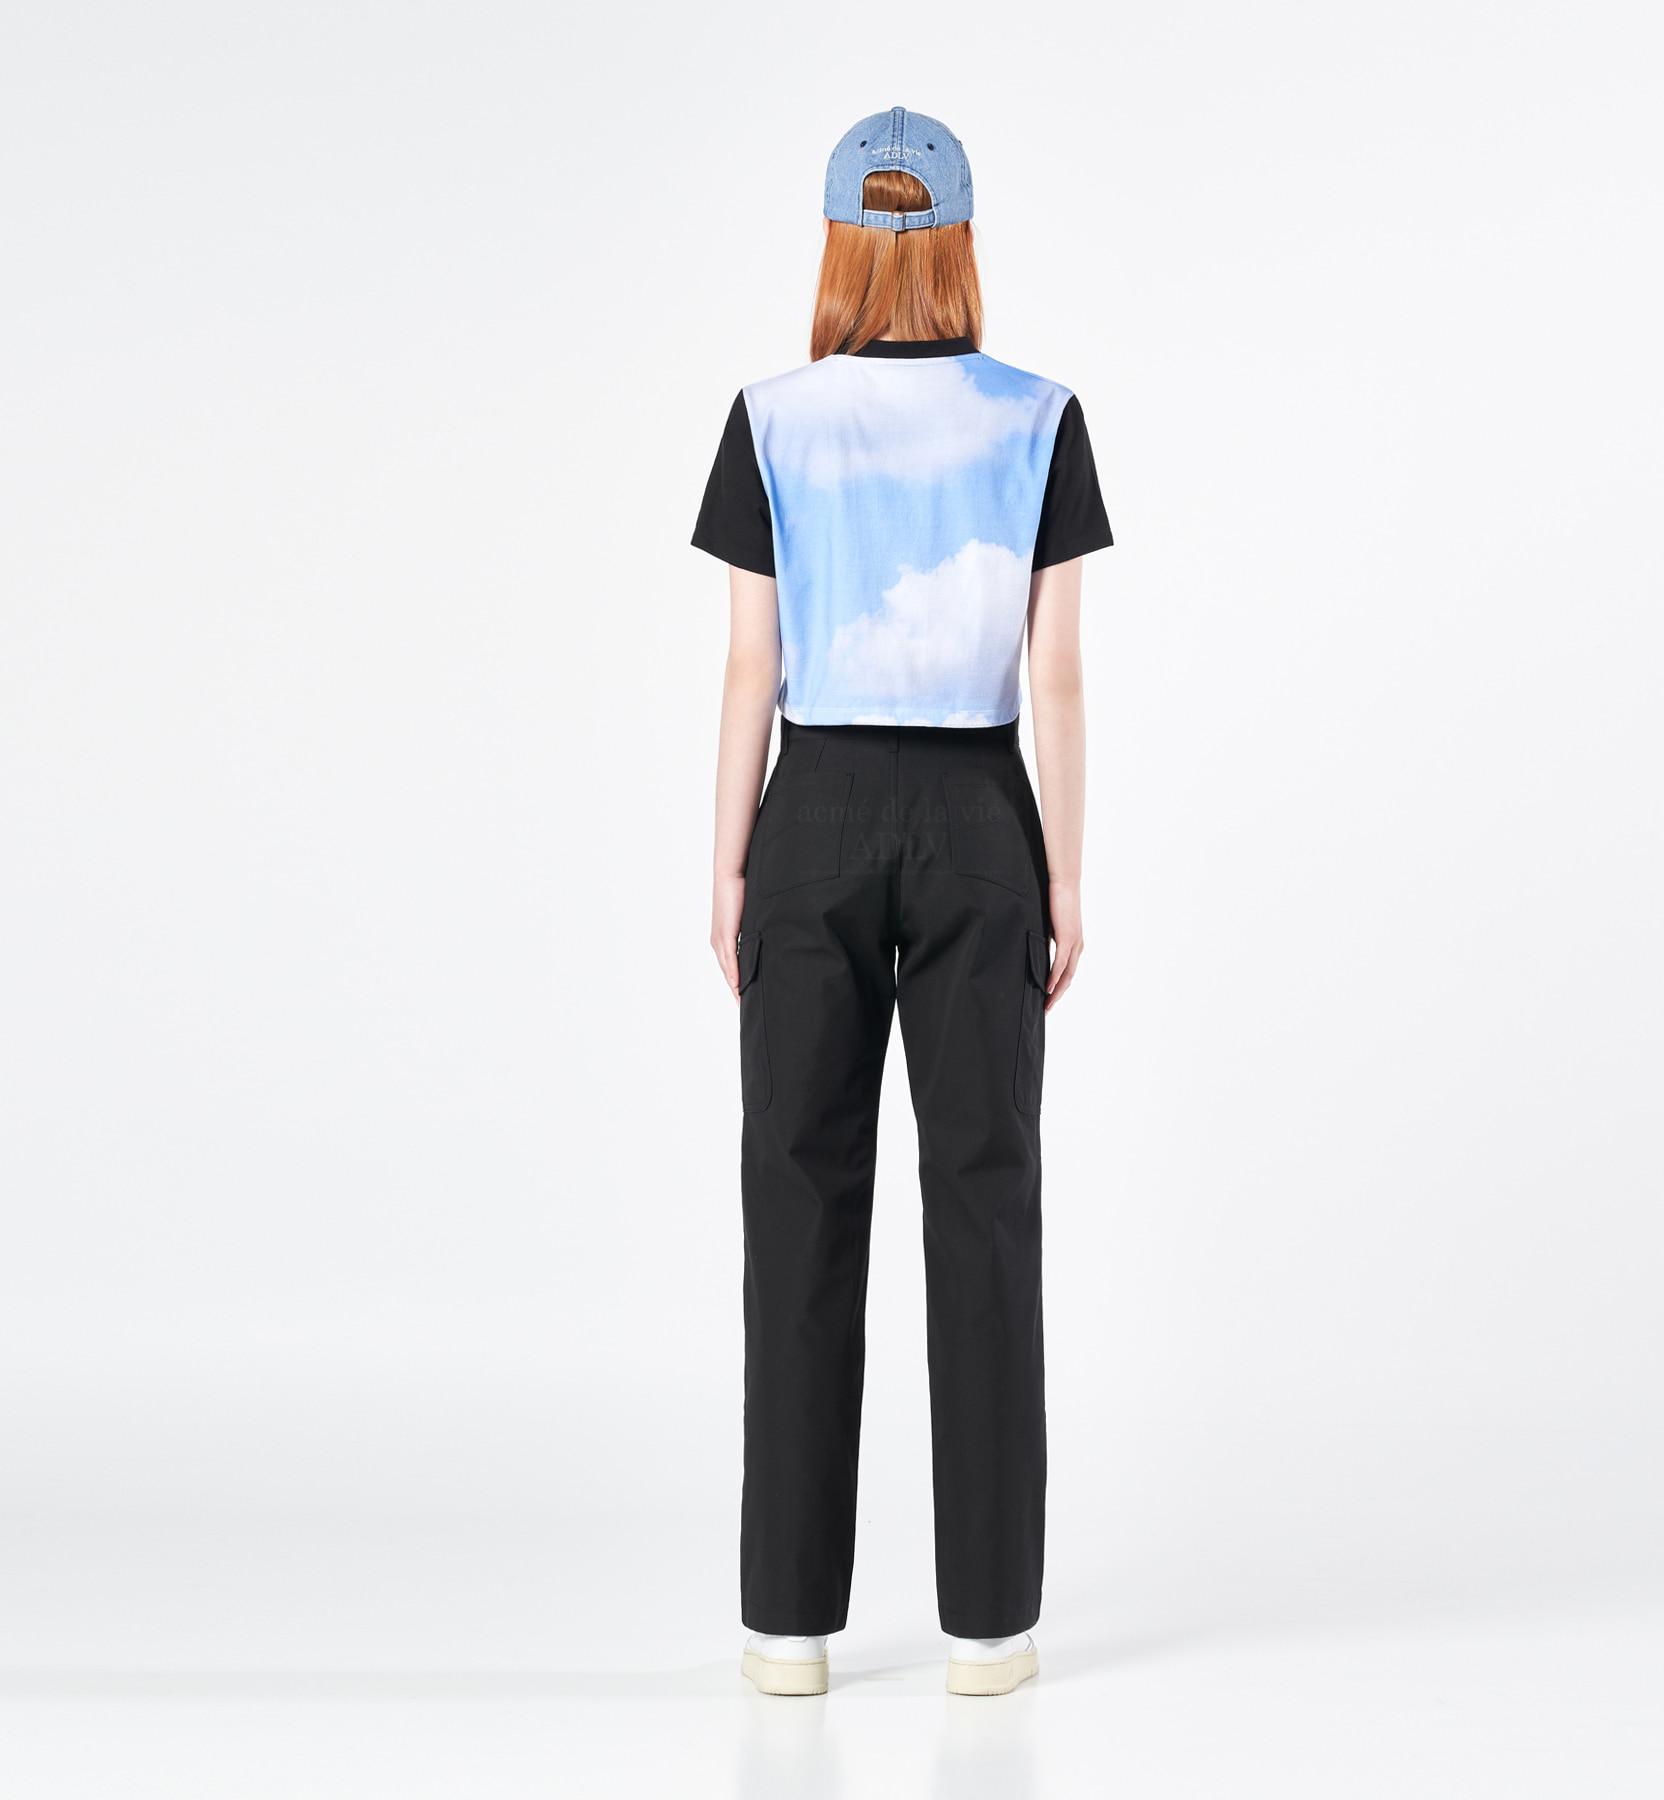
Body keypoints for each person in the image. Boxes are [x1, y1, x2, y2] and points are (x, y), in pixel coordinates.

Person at [691, 106, 1112, 1698]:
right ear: (959, 238)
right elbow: (1054, 672)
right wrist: (1063, 870)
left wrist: (728, 862)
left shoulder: (770, 418)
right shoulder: (1041, 416)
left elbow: (751, 664)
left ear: (840, 242)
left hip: (812, 813)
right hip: (978, 814)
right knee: (986, 1203)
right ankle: (990, 1627)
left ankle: (787, 1627)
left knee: (798, 1200)